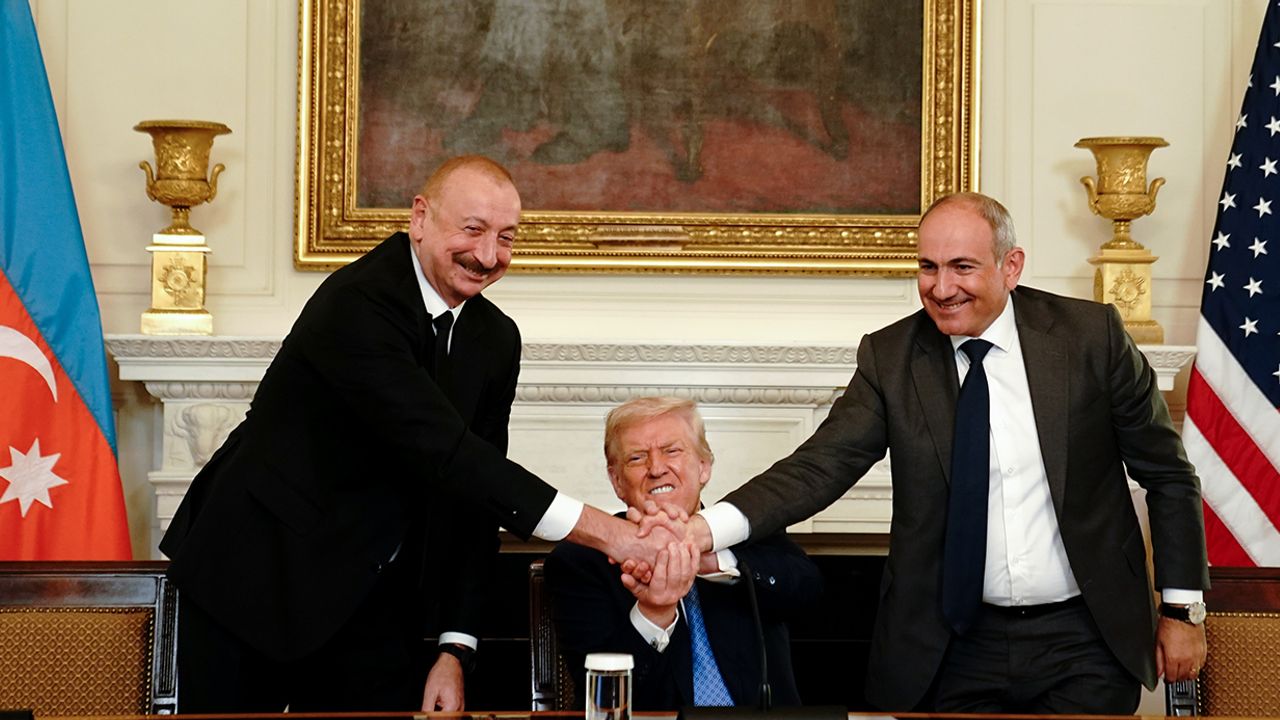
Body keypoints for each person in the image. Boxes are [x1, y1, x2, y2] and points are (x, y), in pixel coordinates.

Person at [651, 192, 1209, 713]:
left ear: (1011, 266)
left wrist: (1181, 609)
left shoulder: (1090, 338)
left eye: (962, 267)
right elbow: (819, 466)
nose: (942, 288)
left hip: (1083, 638)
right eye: (928, 267)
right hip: (950, 645)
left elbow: (1168, 475)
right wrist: (703, 531)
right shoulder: (891, 357)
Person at [159, 155, 672, 714]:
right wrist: (613, 535)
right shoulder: (357, 304)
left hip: (373, 601)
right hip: (251, 579)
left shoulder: (496, 339)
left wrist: (456, 648)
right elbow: (450, 455)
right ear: (420, 218)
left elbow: (476, 501)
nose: (487, 255)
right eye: (472, 229)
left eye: (506, 238)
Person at [546, 397, 821, 710]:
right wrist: (654, 612)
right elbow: (603, 698)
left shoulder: (749, 528)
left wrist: (712, 559)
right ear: (617, 481)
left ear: (704, 466)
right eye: (637, 458)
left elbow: (809, 594)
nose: (656, 468)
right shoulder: (581, 561)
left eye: (672, 451)